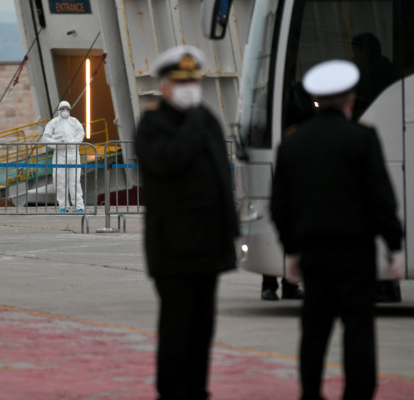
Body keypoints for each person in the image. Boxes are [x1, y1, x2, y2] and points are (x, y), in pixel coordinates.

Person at [270, 60, 404, 400]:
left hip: (313, 252)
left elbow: (280, 206)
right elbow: (380, 197)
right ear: (350, 100)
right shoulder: (362, 139)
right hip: (355, 253)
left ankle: (311, 393)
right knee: (358, 328)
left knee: (314, 329)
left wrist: (292, 250)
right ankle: (357, 394)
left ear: (315, 99)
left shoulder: (293, 144)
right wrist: (395, 245)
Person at [135, 45, 239, 400]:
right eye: (181, 82)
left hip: (209, 247)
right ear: (164, 86)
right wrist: (193, 121)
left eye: (194, 81)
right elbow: (168, 161)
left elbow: (221, 181)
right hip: (174, 249)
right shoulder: (153, 124)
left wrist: (231, 234)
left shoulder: (207, 119)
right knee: (177, 330)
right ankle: (173, 393)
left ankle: (197, 391)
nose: (189, 88)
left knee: (202, 329)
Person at [42, 100, 86, 213]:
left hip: (73, 153)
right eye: (63, 109)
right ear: (59, 110)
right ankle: (63, 206)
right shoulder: (53, 123)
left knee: (75, 181)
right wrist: (57, 144)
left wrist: (72, 142)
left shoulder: (75, 122)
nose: (65, 111)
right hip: (60, 154)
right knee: (60, 181)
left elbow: (81, 134)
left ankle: (79, 206)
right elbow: (46, 137)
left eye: (67, 109)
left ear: (70, 110)